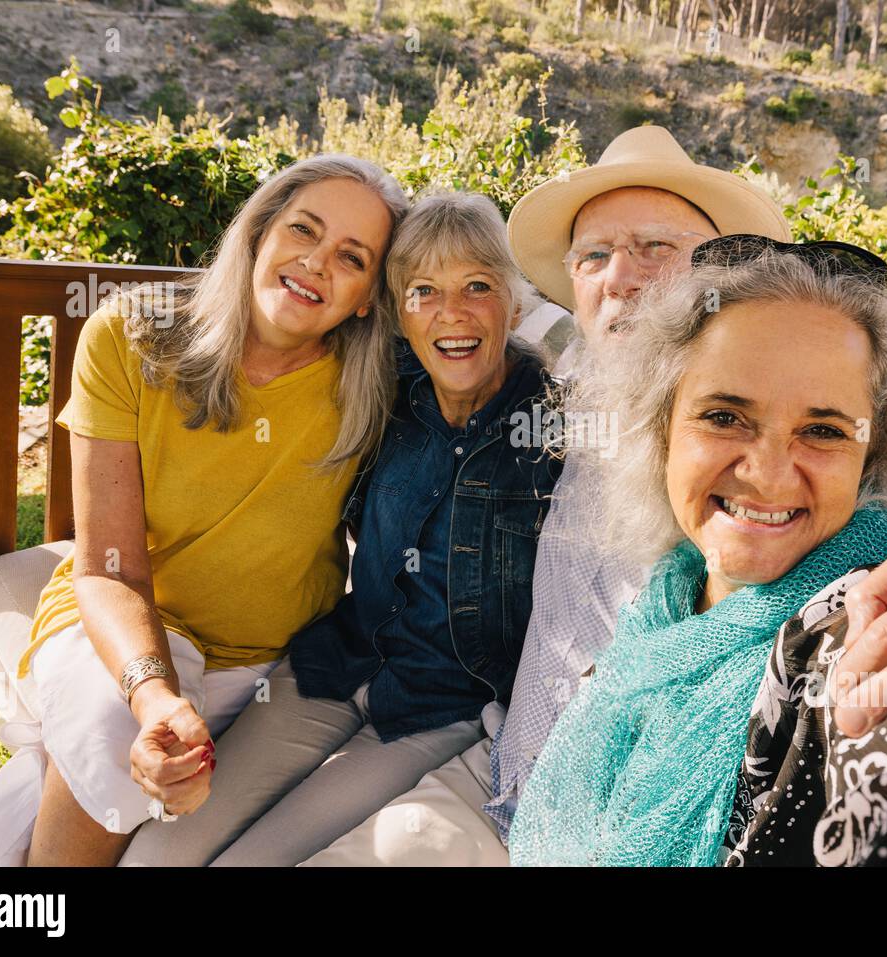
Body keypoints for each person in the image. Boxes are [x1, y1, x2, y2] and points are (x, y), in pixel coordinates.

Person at [316, 126, 887, 867]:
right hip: (510, 780)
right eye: (594, 255)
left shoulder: (836, 553)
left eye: (656, 247)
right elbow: (437, 317)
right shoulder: (548, 389)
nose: (622, 278)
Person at [509, 235, 887, 866]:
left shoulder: (865, 617)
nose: (769, 475)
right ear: (661, 425)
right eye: (724, 416)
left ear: (872, 455)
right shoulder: (668, 595)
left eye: (823, 430)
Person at [0, 155, 409, 867]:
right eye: (302, 230)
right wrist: (153, 695)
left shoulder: (375, 384)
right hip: (123, 627)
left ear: (368, 299)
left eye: (351, 257)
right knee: (106, 734)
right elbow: (109, 567)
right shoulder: (131, 337)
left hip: (266, 665)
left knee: (62, 776)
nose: (315, 262)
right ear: (258, 232)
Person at [118, 192, 562, 866]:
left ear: (514, 301)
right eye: (423, 291)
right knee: (159, 854)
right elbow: (275, 327)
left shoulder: (553, 425)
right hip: (333, 663)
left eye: (478, 286)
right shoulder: (387, 383)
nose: (452, 312)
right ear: (396, 313)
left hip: (437, 705)